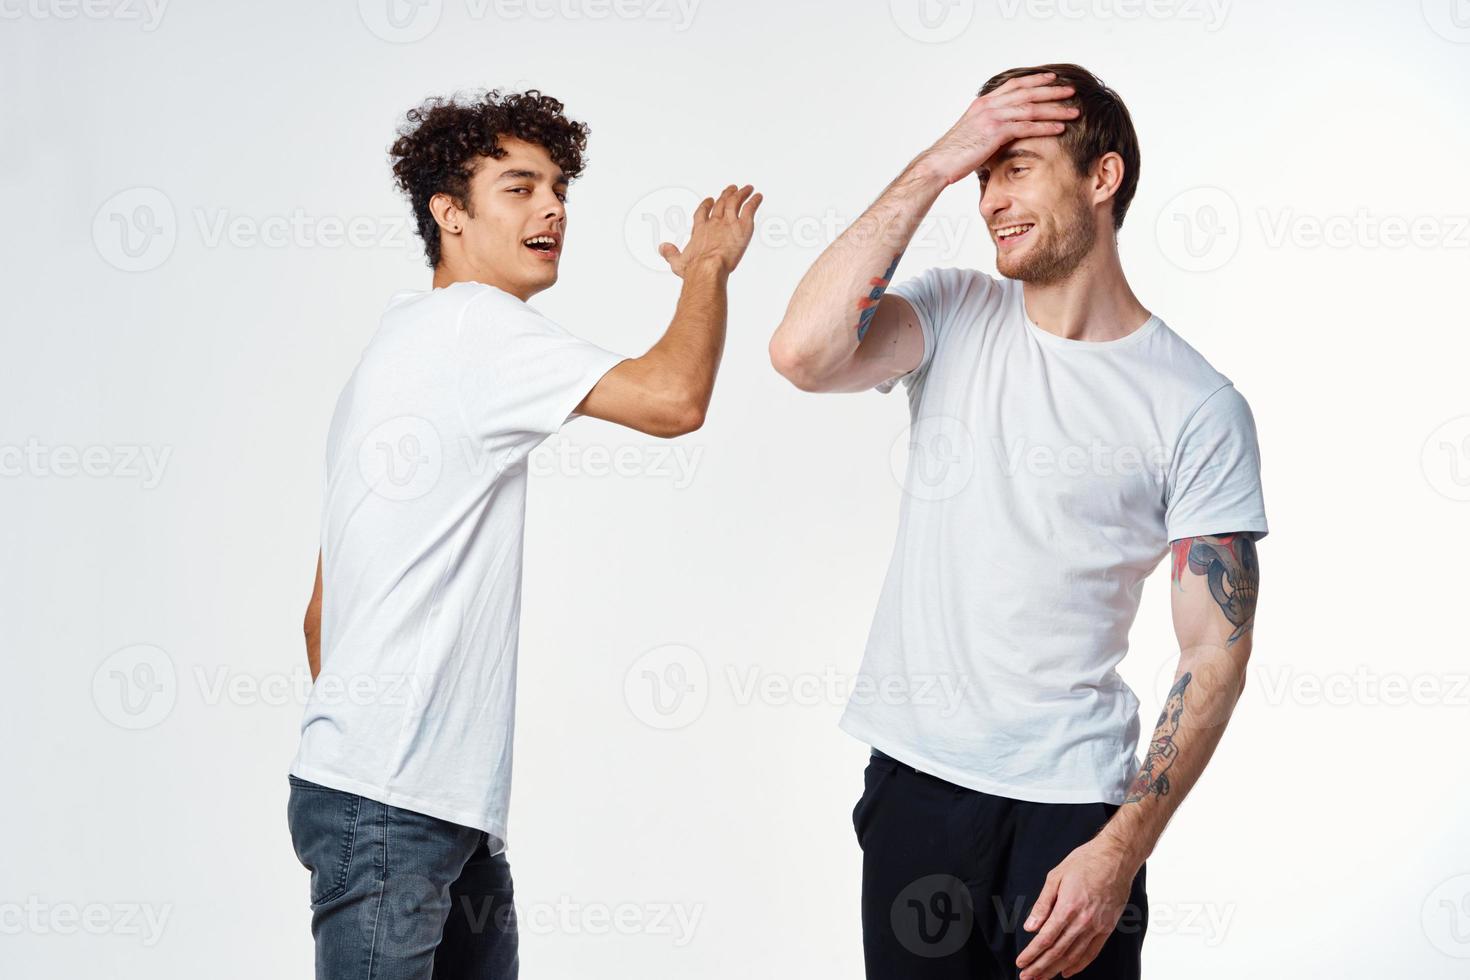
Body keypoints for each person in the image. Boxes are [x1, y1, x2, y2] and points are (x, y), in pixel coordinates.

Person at [769, 64, 1266, 979]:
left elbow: (1213, 652)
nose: (991, 197)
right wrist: (935, 162)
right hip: (919, 793)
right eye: (983, 174)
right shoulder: (956, 313)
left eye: (1018, 167)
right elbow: (802, 353)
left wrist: (1121, 850)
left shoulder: (1197, 405)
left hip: (1077, 817)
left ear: (1102, 178)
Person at [287, 89, 760, 980]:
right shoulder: (477, 326)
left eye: (559, 188)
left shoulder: (397, 344)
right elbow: (672, 400)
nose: (553, 209)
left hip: (417, 804)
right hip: (393, 808)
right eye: (519, 188)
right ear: (448, 212)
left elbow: (321, 615)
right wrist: (707, 271)